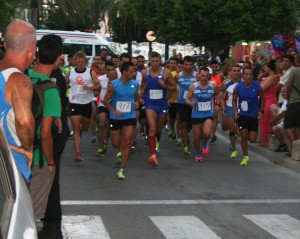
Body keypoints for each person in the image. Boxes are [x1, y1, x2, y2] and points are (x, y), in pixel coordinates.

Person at [28, 34, 63, 221]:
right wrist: (50, 163)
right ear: (59, 59)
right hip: (38, 159)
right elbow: (45, 133)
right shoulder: (50, 90)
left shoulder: (22, 78)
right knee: (29, 218)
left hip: (16, 154)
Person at [0, 20, 36, 183]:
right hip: (12, 171)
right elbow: (24, 121)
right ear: (31, 49)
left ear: (6, 45)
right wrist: (27, 148)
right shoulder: (18, 80)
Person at [103, 62, 139, 179]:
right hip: (116, 117)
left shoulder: (135, 84)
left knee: (127, 142)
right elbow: (106, 100)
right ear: (124, 72)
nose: (133, 74)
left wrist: (137, 103)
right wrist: (113, 110)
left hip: (130, 116)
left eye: (134, 72)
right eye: (131, 72)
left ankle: (122, 169)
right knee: (115, 143)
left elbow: (137, 97)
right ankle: (119, 152)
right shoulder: (113, 85)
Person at [140, 51, 176, 165]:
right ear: (149, 61)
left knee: (158, 129)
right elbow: (143, 86)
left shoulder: (166, 72)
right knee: (152, 128)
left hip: (162, 104)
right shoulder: (145, 73)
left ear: (160, 61)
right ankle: (153, 155)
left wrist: (164, 86)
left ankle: (156, 142)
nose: (155, 63)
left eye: (157, 61)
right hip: (150, 104)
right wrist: (141, 95)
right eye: (152, 61)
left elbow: (174, 87)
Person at [66, 51, 100, 162]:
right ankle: (78, 153)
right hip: (74, 101)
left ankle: (80, 130)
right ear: (75, 62)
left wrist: (89, 88)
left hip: (86, 103)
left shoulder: (90, 72)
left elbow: (98, 85)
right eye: (78, 61)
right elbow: (64, 84)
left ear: (85, 62)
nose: (80, 63)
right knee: (76, 128)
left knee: (84, 127)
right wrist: (68, 85)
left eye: (82, 62)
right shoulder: (70, 72)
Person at [185, 67, 220, 161]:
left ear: (209, 76)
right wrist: (190, 103)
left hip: (208, 112)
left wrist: (217, 105)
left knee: (206, 133)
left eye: (206, 76)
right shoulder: (193, 86)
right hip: (196, 113)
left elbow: (217, 95)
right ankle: (198, 154)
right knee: (196, 136)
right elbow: (187, 99)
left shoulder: (213, 85)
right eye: (202, 76)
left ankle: (204, 142)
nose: (204, 78)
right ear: (199, 75)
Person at [232, 67, 264, 166]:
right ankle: (246, 156)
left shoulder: (258, 87)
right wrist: (235, 112)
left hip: (253, 116)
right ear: (243, 75)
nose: (248, 76)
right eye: (246, 74)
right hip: (242, 115)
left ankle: (238, 133)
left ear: (252, 76)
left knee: (252, 139)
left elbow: (263, 98)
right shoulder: (238, 87)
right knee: (244, 135)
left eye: (250, 74)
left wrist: (261, 111)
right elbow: (234, 100)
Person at [174, 56, 199, 155]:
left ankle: (187, 134)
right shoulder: (178, 76)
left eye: (190, 65)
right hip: (182, 102)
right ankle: (185, 146)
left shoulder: (196, 76)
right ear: (183, 65)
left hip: (193, 103)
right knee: (183, 123)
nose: (188, 67)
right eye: (186, 64)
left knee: (191, 124)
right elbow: (172, 85)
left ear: (193, 65)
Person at [220, 64, 242, 158]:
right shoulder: (226, 83)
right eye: (234, 71)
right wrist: (222, 106)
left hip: (241, 108)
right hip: (229, 107)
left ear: (240, 72)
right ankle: (234, 149)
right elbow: (220, 95)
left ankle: (233, 140)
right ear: (231, 72)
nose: (236, 72)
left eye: (238, 71)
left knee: (239, 132)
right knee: (231, 128)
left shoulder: (244, 83)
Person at [96, 61, 115, 157]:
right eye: (108, 70)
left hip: (113, 106)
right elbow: (96, 91)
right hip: (103, 104)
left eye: (112, 70)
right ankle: (100, 146)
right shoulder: (100, 79)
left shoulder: (118, 79)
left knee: (110, 126)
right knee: (102, 123)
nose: (110, 72)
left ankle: (105, 140)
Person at [259, 60, 279, 147]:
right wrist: (263, 74)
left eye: (266, 67)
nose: (265, 69)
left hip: (270, 99)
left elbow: (263, 89)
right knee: (263, 119)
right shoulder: (269, 77)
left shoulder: (272, 78)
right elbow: (259, 78)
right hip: (265, 99)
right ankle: (264, 140)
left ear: (270, 68)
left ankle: (267, 141)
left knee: (266, 119)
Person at [283, 54, 300, 152]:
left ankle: (294, 146)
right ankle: (299, 147)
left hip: (294, 101)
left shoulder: (294, 71)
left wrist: (288, 98)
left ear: (296, 60)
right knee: (298, 126)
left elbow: (288, 86)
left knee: (287, 125)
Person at [270, 86, 289, 152]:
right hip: (282, 117)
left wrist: (273, 120)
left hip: (286, 119)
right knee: (272, 106)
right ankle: (283, 144)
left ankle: (283, 144)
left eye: (284, 92)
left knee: (274, 128)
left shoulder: (290, 100)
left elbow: (283, 113)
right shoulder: (285, 99)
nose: (283, 93)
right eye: (282, 92)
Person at [209, 60, 224, 143]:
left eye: (216, 66)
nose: (215, 68)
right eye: (213, 66)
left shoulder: (220, 75)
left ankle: (212, 134)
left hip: (216, 97)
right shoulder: (207, 75)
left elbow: (222, 86)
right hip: (208, 97)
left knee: (215, 116)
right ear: (210, 66)